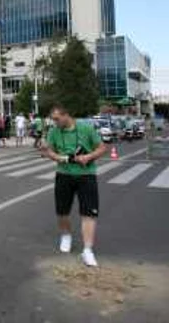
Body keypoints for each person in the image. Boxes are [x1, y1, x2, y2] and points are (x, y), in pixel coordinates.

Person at [42, 104, 106, 267]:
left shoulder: (86, 128)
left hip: (87, 175)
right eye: (53, 120)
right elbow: (48, 151)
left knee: (89, 213)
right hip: (64, 174)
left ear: (66, 115)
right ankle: (66, 235)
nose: (55, 123)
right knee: (62, 211)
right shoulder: (53, 132)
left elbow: (102, 148)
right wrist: (58, 157)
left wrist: (88, 157)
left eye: (57, 119)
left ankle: (87, 250)